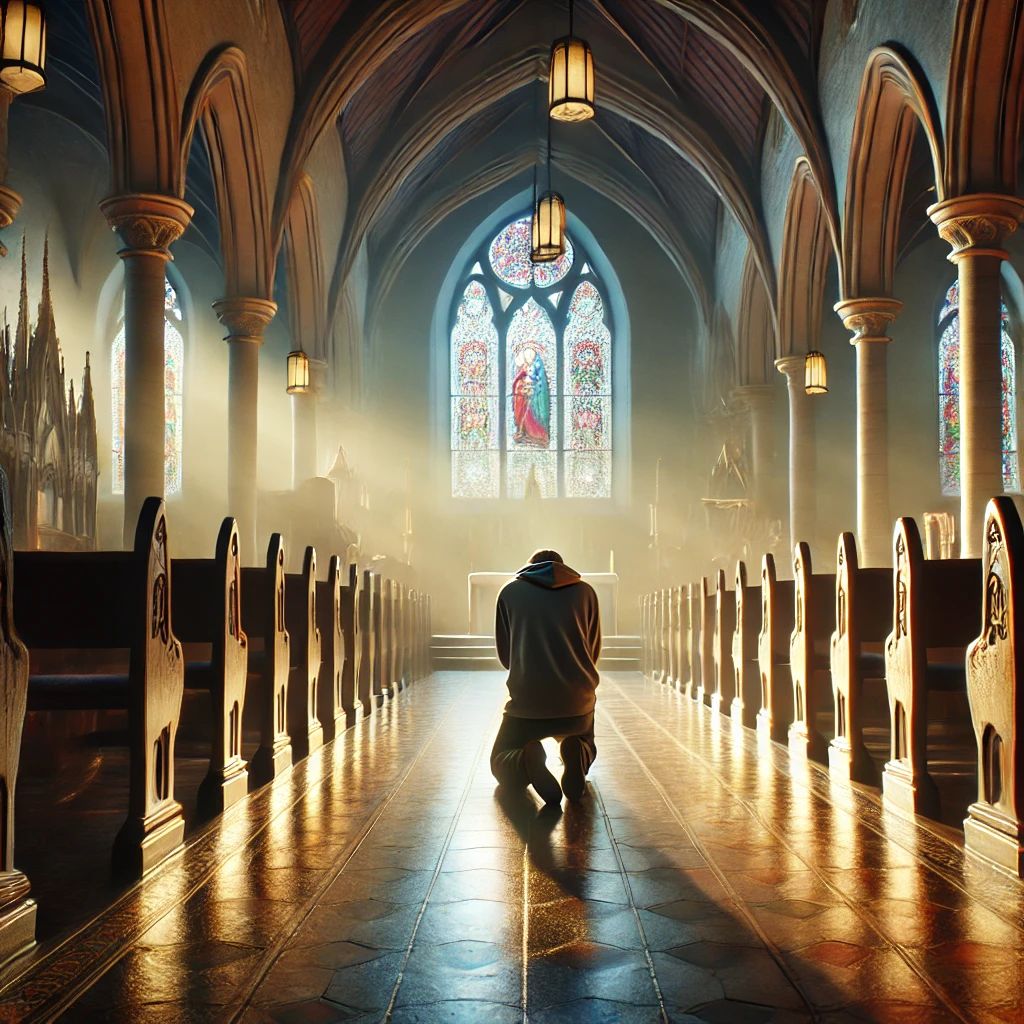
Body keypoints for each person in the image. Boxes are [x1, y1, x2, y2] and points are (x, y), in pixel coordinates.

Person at [490, 548, 602, 804]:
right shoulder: (585, 592)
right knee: (586, 742)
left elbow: (506, 658)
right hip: (577, 701)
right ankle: (578, 751)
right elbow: (592, 650)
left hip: (528, 704)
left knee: (500, 760)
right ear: (563, 567)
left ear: (528, 566)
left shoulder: (509, 591)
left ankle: (525, 760)